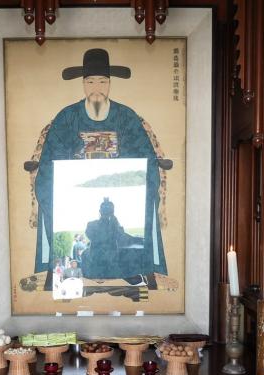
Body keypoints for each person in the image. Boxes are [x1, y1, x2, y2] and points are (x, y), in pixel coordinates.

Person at [28, 48, 168, 281]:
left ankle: (135, 272)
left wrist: (117, 169)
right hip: (76, 190)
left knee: (143, 195)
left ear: (110, 83)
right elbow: (51, 158)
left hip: (121, 186)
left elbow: (145, 157)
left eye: (102, 81)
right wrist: (75, 169)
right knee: (51, 191)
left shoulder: (126, 116)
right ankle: (66, 272)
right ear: (83, 84)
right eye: (90, 81)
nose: (96, 87)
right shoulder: (67, 117)